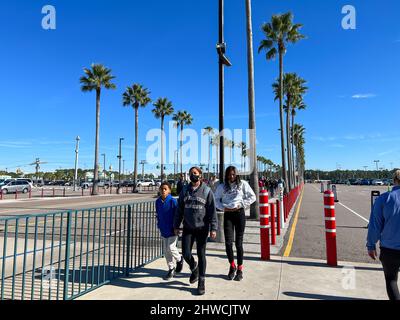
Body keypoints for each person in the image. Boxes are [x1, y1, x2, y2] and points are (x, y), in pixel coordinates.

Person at [173, 167, 218, 295]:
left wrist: (213, 228)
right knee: (186, 253)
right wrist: (176, 225)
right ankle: (194, 268)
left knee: (201, 254)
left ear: (200, 175)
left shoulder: (207, 191)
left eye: (195, 173)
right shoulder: (185, 191)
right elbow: (179, 210)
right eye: (191, 173)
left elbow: (212, 211)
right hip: (188, 227)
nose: (193, 175)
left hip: (202, 228)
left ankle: (201, 281)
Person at [214, 166, 256, 281]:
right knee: (228, 243)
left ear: (236, 174)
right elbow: (216, 199)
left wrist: (242, 204)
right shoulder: (222, 186)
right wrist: (223, 208)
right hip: (228, 215)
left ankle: (240, 269)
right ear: (226, 175)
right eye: (229, 174)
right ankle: (232, 266)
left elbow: (253, 196)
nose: (231, 177)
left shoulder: (242, 184)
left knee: (239, 243)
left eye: (233, 174)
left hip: (239, 214)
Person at [367, 170, 400, 300]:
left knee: (391, 280)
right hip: (390, 248)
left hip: (389, 249)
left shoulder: (384, 198)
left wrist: (371, 245)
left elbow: (375, 226)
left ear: (394, 180)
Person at [155, 182, 184, 280]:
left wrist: (178, 227)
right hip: (163, 229)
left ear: (169, 190)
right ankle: (171, 268)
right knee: (166, 250)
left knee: (171, 247)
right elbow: (158, 214)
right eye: (162, 189)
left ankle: (179, 259)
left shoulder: (173, 201)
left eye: (165, 189)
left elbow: (178, 215)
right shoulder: (158, 202)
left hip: (173, 229)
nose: (163, 190)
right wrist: (159, 225)